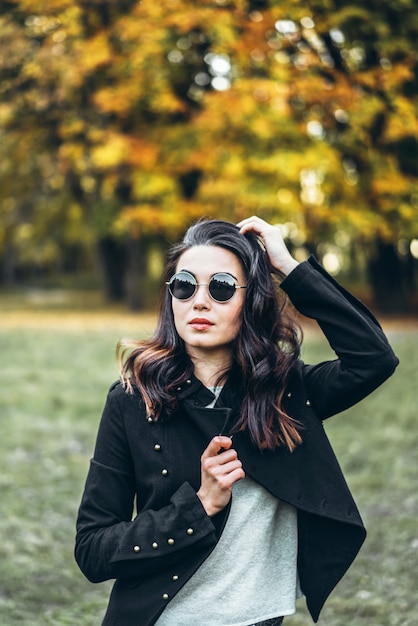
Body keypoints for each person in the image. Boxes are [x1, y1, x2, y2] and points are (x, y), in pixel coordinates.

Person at [75, 216, 398, 626]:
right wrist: (199, 505)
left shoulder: (286, 392)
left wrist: (291, 269)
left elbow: (373, 359)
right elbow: (92, 549)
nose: (200, 301)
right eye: (184, 285)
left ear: (252, 301)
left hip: (262, 618)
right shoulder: (132, 400)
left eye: (222, 287)